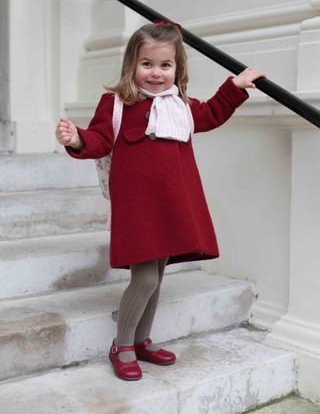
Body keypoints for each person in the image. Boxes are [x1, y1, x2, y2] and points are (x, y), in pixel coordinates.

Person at [55, 21, 266, 381]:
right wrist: (77, 138)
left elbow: (212, 113)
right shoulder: (118, 103)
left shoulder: (180, 105)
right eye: (147, 64)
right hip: (138, 208)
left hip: (171, 204)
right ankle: (121, 345)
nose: (155, 73)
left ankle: (140, 340)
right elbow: (101, 139)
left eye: (165, 65)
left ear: (177, 68)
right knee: (145, 279)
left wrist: (235, 87)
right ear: (131, 65)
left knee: (159, 274)